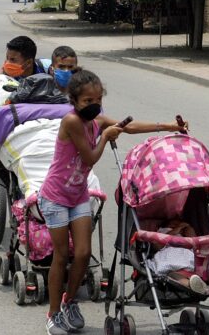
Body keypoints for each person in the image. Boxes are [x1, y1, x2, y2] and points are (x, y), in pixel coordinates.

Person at [38, 68, 186, 334]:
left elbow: (127, 127)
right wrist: (105, 137)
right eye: (87, 101)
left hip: (78, 195)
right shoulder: (71, 122)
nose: (93, 106)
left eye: (97, 100)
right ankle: (53, 314)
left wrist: (169, 127)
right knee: (61, 256)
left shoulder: (97, 121)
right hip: (55, 197)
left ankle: (69, 301)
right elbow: (90, 159)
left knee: (83, 254)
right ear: (74, 100)